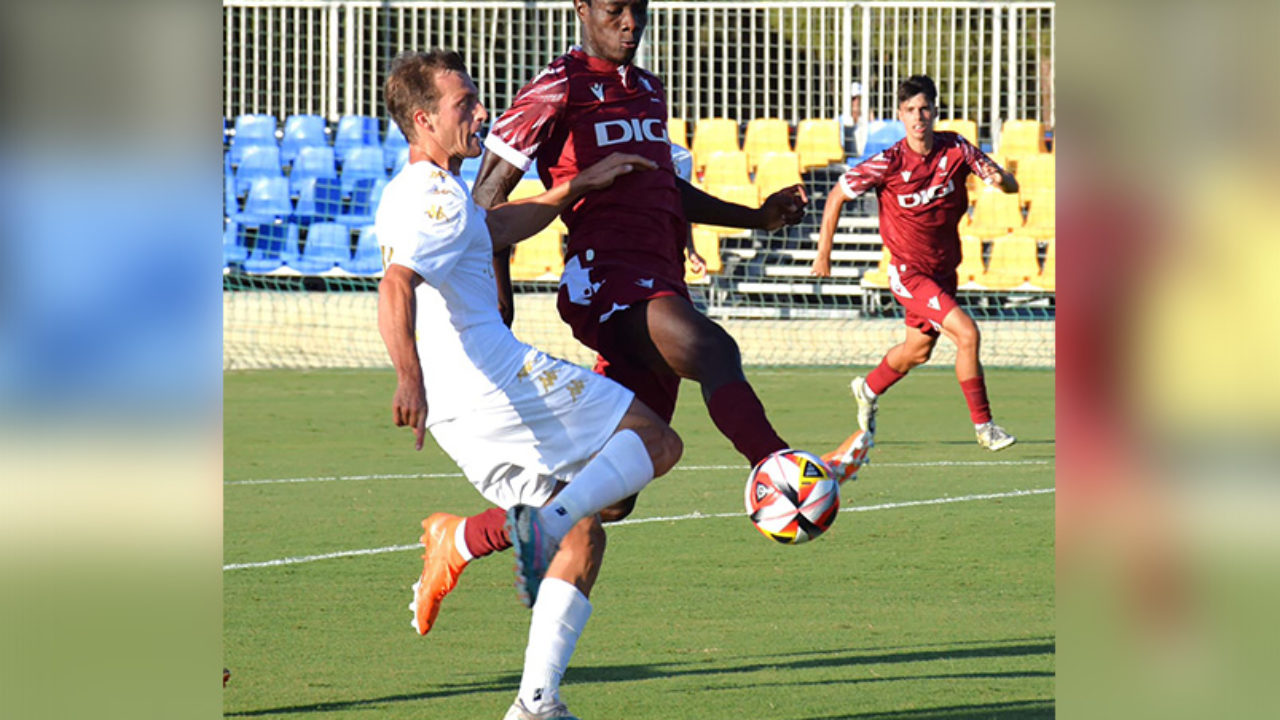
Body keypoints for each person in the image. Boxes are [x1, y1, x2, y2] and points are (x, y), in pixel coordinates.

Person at [405, 0, 873, 640]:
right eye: (614, 9)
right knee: (710, 347)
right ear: (583, 10)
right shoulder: (557, 85)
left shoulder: (646, 89)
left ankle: (463, 538)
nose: (630, 22)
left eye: (639, 9)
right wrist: (495, 304)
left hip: (657, 278)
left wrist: (755, 218)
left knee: (612, 495)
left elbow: (663, 187)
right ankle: (776, 470)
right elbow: (485, 201)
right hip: (606, 281)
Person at [376, 49, 683, 720]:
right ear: (425, 120)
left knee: (586, 538)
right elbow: (397, 282)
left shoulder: (436, 193)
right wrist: (407, 378)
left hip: (464, 417)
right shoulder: (432, 194)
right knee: (656, 443)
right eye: (466, 104)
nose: (481, 112)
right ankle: (493, 535)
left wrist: (574, 187)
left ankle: (535, 702)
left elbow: (496, 226)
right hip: (495, 383)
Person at [810, 74, 1019, 451]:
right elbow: (837, 194)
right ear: (900, 115)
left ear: (935, 111)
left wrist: (1001, 179)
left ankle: (868, 388)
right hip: (909, 272)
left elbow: (1008, 184)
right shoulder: (887, 162)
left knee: (917, 351)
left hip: (944, 270)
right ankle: (985, 427)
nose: (918, 117)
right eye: (910, 110)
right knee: (967, 335)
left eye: (924, 109)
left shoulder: (956, 148)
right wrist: (824, 252)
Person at [841, 81, 867, 159]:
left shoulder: (868, 121)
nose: (856, 102)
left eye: (858, 98)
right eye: (853, 98)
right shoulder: (840, 120)